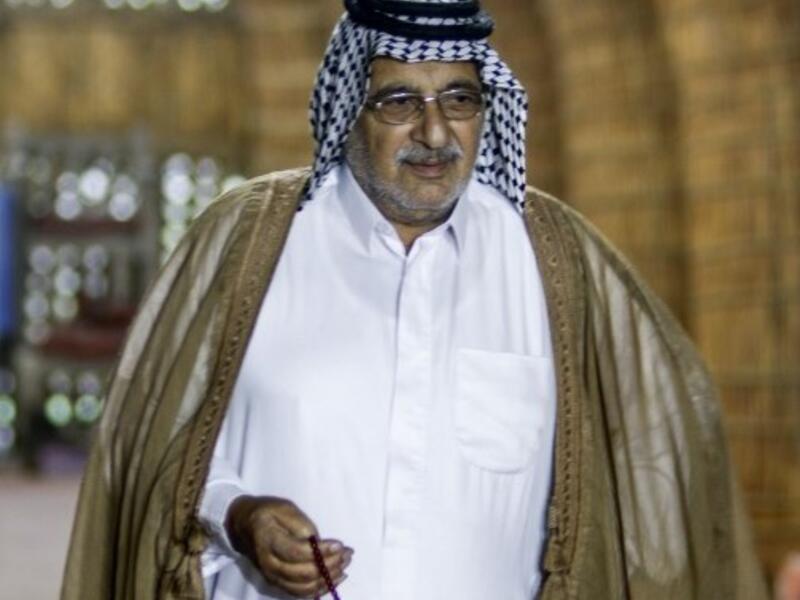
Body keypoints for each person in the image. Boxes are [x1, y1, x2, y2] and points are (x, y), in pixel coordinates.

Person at [62, 1, 767, 599]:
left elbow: (655, 453)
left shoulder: (557, 264)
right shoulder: (250, 244)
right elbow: (158, 448)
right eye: (399, 101)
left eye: (459, 100)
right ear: (348, 103)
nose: (434, 134)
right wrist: (235, 513)